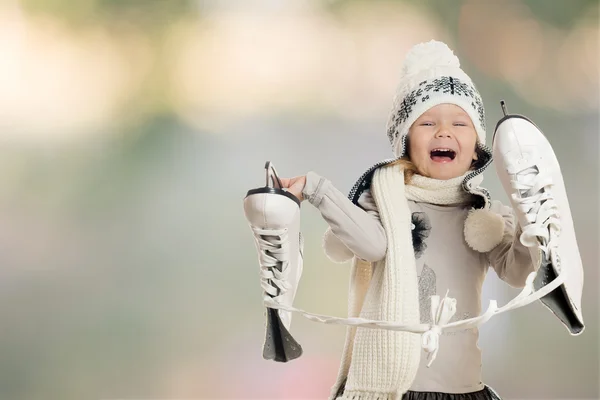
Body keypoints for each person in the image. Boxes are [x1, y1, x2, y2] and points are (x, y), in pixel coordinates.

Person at [279, 40, 534, 400]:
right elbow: (371, 244)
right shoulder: (386, 201)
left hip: (463, 389)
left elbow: (518, 272)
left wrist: (531, 220)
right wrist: (317, 189)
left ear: (476, 148)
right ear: (405, 141)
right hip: (397, 389)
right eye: (427, 122)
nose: (443, 132)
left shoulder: (484, 215)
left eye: (459, 123)